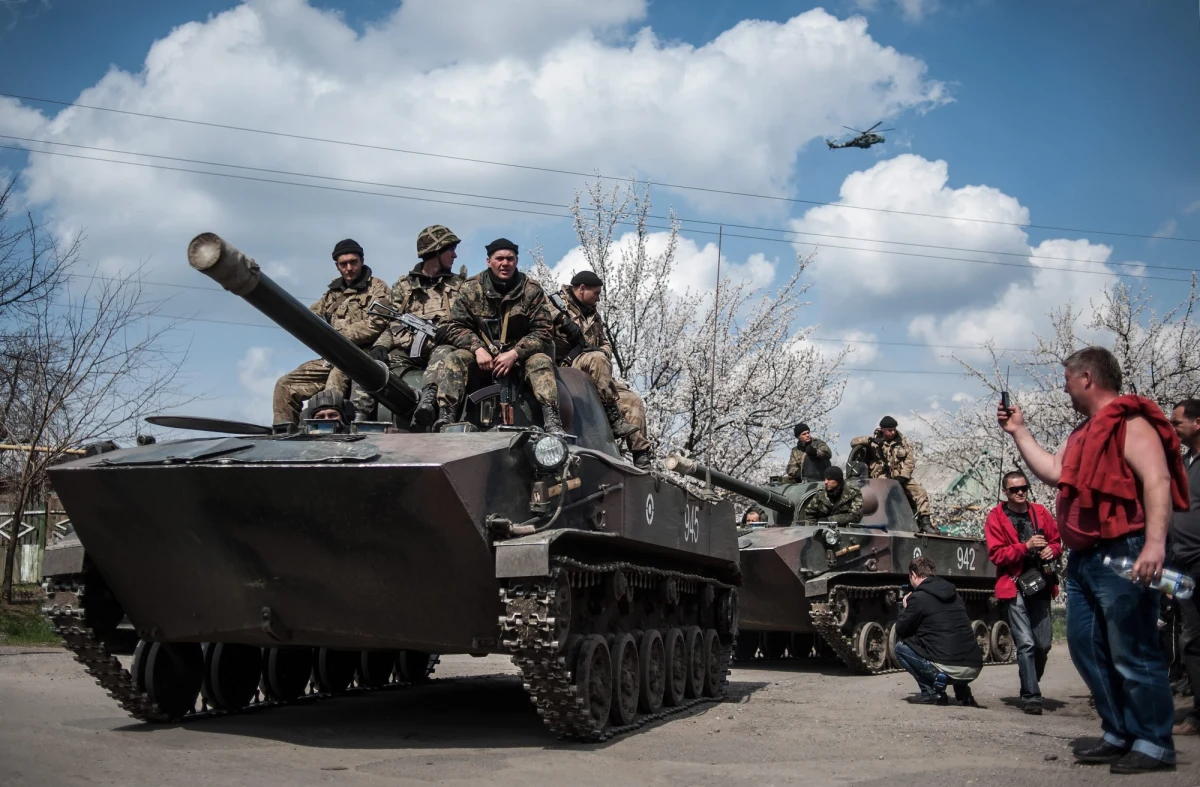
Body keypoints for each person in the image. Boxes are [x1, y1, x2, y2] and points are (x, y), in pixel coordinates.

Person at [999, 346, 1189, 774]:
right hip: (1085, 560)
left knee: (1132, 649)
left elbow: (1157, 481)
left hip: (1123, 552)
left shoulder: (1130, 423)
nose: (1064, 387)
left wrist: (1154, 545)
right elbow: (1053, 470)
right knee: (1087, 648)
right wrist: (1019, 431)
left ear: (1087, 377)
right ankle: (1119, 731)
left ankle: (1154, 743)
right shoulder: (1084, 432)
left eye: (1067, 379)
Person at [438, 238, 562, 432]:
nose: (505, 263)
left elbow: (543, 330)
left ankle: (552, 420)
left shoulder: (531, 290)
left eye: (510, 259)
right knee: (455, 358)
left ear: (516, 261)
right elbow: (456, 326)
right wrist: (477, 348)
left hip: (519, 358)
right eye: (500, 258)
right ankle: (446, 417)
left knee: (541, 362)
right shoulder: (471, 288)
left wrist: (514, 354)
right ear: (489, 261)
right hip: (482, 356)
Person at [272, 239, 389, 425]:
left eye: (353, 262)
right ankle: (283, 434)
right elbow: (308, 319)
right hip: (331, 358)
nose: (349, 268)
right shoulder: (332, 295)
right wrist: (276, 304)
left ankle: (331, 432)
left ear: (362, 261)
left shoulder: (377, 288)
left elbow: (378, 323)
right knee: (285, 385)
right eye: (344, 264)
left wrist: (338, 336)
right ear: (337, 266)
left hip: (360, 358)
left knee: (334, 382)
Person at [359, 225, 465, 427]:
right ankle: (361, 415)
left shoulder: (460, 286)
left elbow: (468, 320)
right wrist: (380, 346)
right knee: (368, 364)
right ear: (435, 251)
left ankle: (427, 401)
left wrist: (450, 331)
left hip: (441, 348)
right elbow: (393, 322)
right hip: (407, 349)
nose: (455, 255)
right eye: (450, 249)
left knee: (443, 352)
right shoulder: (404, 287)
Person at [546, 270, 652, 468]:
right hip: (565, 370)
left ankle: (641, 454)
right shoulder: (554, 304)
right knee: (597, 359)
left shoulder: (594, 316)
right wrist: (564, 323)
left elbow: (606, 345)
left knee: (633, 401)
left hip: (595, 373)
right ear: (582, 289)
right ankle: (613, 415)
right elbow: (536, 317)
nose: (599, 298)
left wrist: (599, 350)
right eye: (596, 293)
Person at [984, 470, 1063, 715]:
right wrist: (1025, 547)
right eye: (1014, 489)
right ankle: (1031, 696)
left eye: (1024, 488)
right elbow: (996, 554)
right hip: (1013, 583)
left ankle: (1030, 681)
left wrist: (1052, 550)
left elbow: (1057, 541)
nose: (1020, 492)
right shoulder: (996, 517)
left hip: (1040, 583)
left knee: (1043, 643)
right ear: (1005, 492)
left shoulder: (1040, 512)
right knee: (1026, 643)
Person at [893, 556, 983, 707]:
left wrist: (907, 606)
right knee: (951, 639)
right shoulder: (955, 595)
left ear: (914, 575)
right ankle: (964, 693)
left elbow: (901, 629)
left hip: (947, 668)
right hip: (973, 667)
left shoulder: (918, 598)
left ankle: (931, 692)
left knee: (901, 649)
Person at [1169, 398, 1200, 737]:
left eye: (1177, 423)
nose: (1173, 429)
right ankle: (1198, 716)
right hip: (1183, 564)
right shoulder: (1184, 462)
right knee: (1191, 639)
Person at [866, 416, 934, 533]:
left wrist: (903, 476)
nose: (893, 432)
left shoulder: (902, 443)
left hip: (900, 477)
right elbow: (854, 442)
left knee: (920, 491)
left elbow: (909, 461)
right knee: (883, 496)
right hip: (881, 478)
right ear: (882, 429)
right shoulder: (873, 442)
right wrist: (870, 440)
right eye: (889, 430)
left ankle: (925, 522)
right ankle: (883, 523)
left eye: (894, 429)